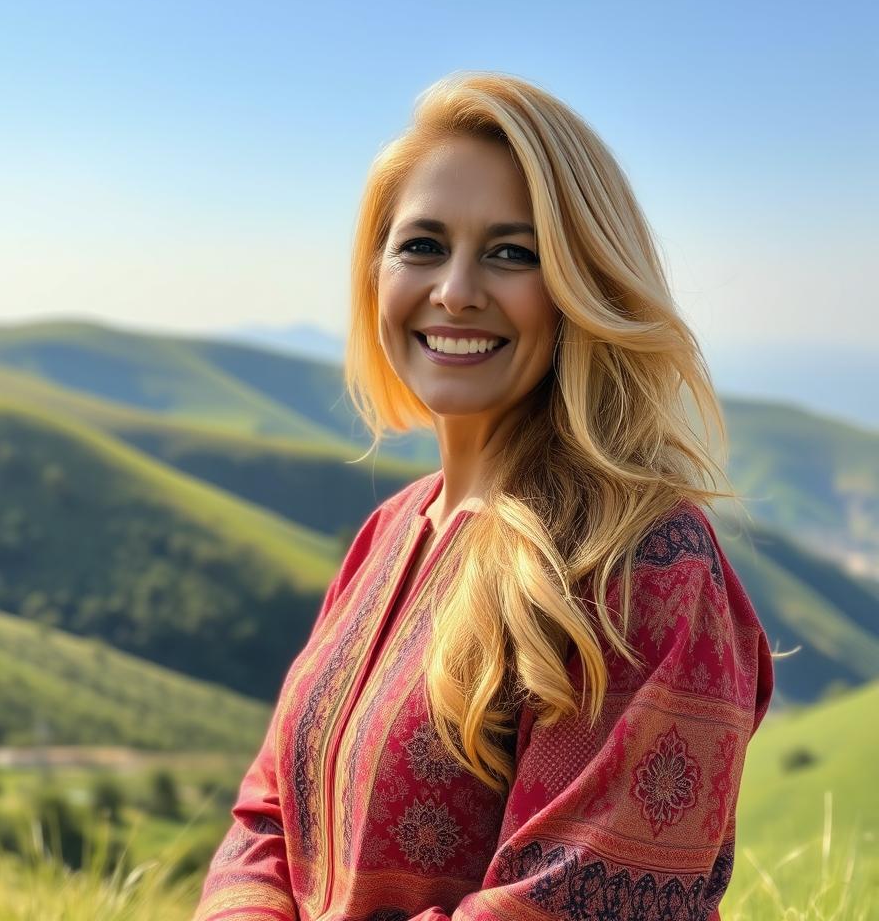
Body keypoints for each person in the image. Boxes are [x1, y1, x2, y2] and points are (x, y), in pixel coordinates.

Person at [191, 70, 775, 921]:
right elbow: (271, 809)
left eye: (512, 253)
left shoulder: (643, 561)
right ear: (375, 274)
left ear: (584, 288)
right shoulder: (392, 530)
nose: (456, 289)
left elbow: (576, 903)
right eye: (422, 246)